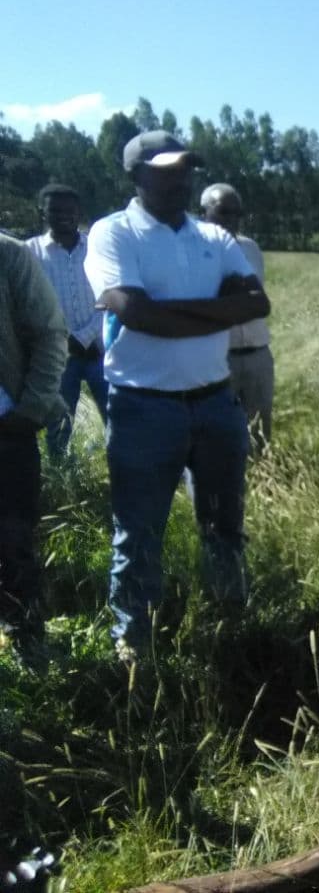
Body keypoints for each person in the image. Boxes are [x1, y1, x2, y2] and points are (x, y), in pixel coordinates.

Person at [84, 131, 269, 664]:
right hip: (145, 407)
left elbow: (257, 304)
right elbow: (135, 314)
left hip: (216, 403)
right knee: (139, 530)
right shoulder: (114, 233)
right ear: (135, 175)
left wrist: (165, 313)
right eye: (166, 170)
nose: (181, 179)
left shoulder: (213, 236)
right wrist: (215, 311)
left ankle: (229, 621)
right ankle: (134, 641)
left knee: (224, 524)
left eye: (186, 169)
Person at [0, 233, 67, 665]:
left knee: (13, 543)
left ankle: (27, 648)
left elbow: (49, 334)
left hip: (7, 430)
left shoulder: (8, 255)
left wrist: (32, 408)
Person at [27, 184, 107, 459]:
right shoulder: (30, 253)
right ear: (43, 213)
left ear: (79, 212)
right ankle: (64, 479)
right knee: (59, 426)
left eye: (69, 211)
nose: (63, 216)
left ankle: (122, 472)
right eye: (55, 211)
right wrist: (66, 341)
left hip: (101, 351)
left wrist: (84, 337)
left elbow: (110, 296)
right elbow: (32, 305)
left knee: (119, 418)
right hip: (57, 357)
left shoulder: (97, 248)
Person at [201, 183, 273, 451]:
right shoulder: (195, 252)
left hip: (258, 353)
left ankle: (263, 476)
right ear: (204, 212)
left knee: (260, 431)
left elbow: (258, 300)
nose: (232, 219)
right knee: (219, 434)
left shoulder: (250, 248)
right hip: (220, 356)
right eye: (224, 212)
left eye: (237, 213)